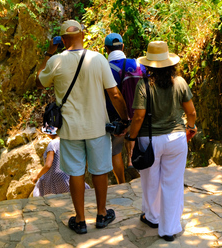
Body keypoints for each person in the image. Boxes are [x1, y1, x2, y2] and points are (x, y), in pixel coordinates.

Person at [36, 20, 130, 235]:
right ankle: (101, 214)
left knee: (76, 174)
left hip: (70, 130)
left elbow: (39, 81)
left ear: (62, 39)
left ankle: (79, 220)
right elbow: (114, 94)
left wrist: (49, 52)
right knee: (99, 171)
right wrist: (124, 120)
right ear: (83, 34)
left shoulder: (56, 61)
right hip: (97, 127)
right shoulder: (97, 59)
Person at [124, 41, 197, 242]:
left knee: (150, 181)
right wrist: (190, 129)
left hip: (150, 140)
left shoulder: (144, 84)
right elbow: (191, 112)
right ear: (170, 63)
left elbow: (138, 117)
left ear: (148, 65)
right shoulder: (180, 83)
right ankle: (168, 229)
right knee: (172, 183)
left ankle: (153, 217)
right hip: (176, 139)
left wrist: (131, 137)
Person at [104, 33, 146, 183]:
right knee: (140, 144)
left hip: (115, 118)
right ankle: (142, 177)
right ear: (123, 47)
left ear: (106, 50)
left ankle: (121, 182)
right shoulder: (137, 64)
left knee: (115, 152)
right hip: (137, 114)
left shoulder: (105, 68)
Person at [32, 130, 90, 197]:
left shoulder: (52, 143)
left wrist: (37, 176)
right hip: (67, 177)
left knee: (39, 191)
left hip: (54, 179)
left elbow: (48, 165)